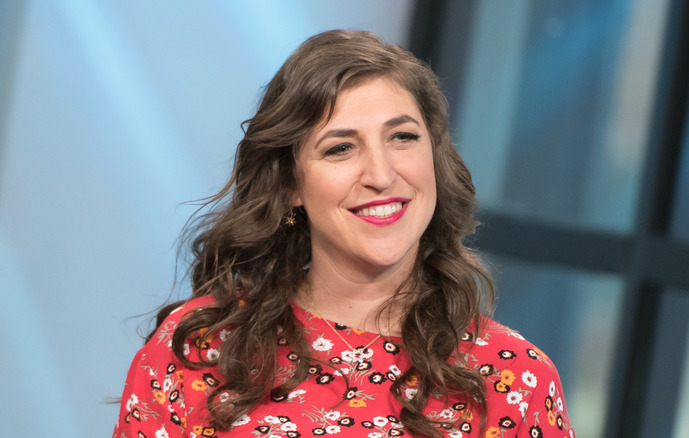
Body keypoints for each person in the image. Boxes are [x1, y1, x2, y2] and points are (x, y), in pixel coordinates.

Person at [113, 30, 575, 438]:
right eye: (341, 148)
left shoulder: (513, 377)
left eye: (403, 138)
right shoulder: (200, 349)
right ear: (291, 183)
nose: (381, 173)